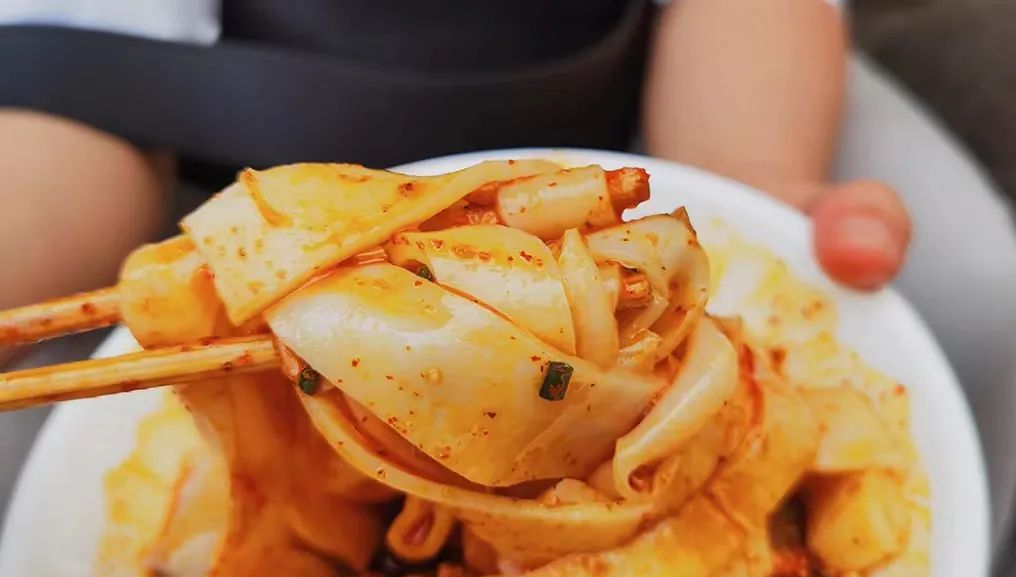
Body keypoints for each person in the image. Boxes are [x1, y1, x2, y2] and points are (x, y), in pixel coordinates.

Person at [0, 0, 910, 319]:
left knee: (969, 292)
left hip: (646, 131)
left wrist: (747, 184)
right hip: (227, 198)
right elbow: (77, 65)